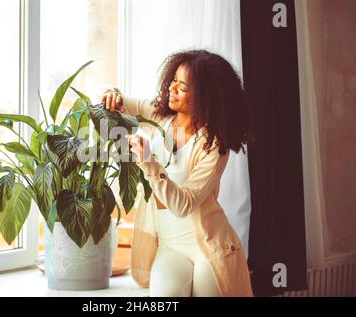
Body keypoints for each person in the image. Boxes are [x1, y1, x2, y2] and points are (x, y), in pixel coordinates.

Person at [101, 49, 254, 297]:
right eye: (173, 81)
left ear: (205, 97)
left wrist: (149, 162)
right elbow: (122, 103)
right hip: (169, 246)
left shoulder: (213, 146)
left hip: (207, 245)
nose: (172, 89)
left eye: (182, 87)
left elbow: (184, 204)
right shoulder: (160, 117)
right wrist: (112, 94)